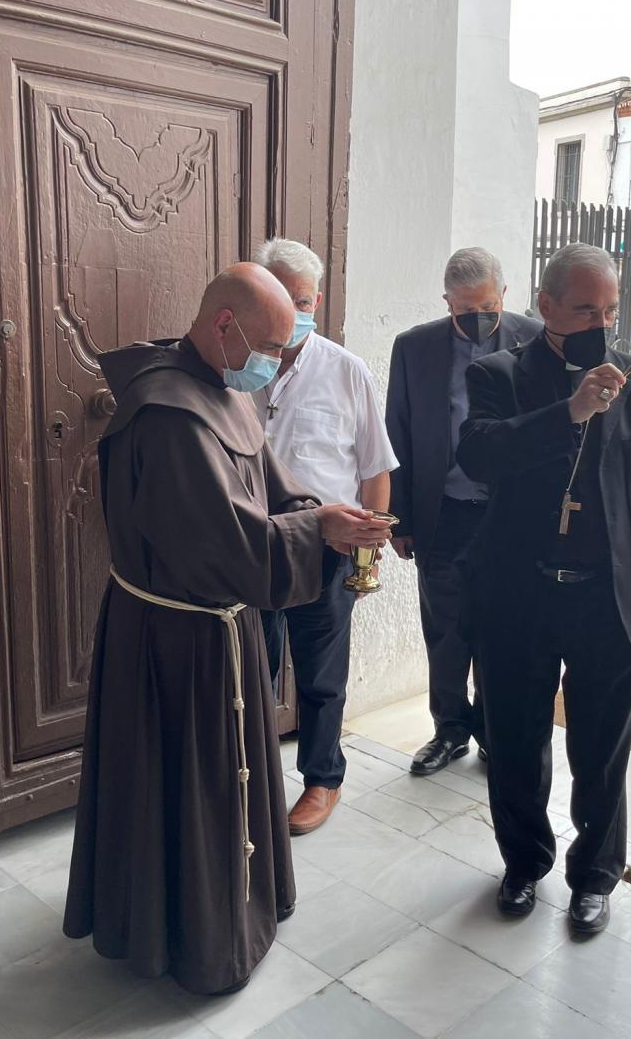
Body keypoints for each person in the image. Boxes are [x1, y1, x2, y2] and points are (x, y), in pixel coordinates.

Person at [63, 264, 391, 996]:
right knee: (189, 782)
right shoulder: (169, 413)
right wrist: (321, 528)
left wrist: (317, 510)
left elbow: (270, 483)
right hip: (176, 642)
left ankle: (238, 905)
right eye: (271, 347)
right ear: (223, 327)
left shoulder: (218, 388)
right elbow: (233, 547)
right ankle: (194, 937)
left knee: (225, 779)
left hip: (220, 628)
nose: (277, 363)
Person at [456, 243, 631, 934]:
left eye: (611, 308)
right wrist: (570, 414)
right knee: (518, 740)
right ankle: (524, 862)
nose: (601, 321)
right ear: (546, 304)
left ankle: (596, 876)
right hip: (519, 594)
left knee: (603, 747)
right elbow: (479, 454)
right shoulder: (499, 372)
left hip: (606, 595)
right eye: (586, 307)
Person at [250, 239, 399, 835]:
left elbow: (375, 468)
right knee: (249, 672)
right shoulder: (235, 369)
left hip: (326, 551)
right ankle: (248, 776)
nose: (292, 311)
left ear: (317, 300)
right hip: (253, 547)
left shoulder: (345, 369)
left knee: (320, 678)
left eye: (302, 300)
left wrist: (367, 557)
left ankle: (321, 780)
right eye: (280, 298)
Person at [385, 248, 542, 775]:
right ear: (446, 301)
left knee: (503, 628)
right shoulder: (414, 348)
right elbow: (398, 433)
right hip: (445, 511)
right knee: (446, 631)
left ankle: (496, 734)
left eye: (488, 306)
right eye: (464, 309)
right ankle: (449, 730)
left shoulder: (535, 338)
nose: (477, 317)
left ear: (505, 294)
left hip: (512, 515)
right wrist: (401, 518)